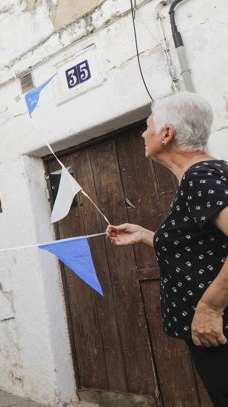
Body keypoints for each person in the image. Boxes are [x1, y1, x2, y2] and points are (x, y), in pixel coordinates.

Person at [105, 92, 228, 406]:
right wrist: (146, 235)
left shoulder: (199, 179)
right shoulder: (211, 174)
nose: (143, 133)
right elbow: (202, 244)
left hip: (220, 333)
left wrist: (210, 309)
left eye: (148, 126)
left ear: (167, 133)